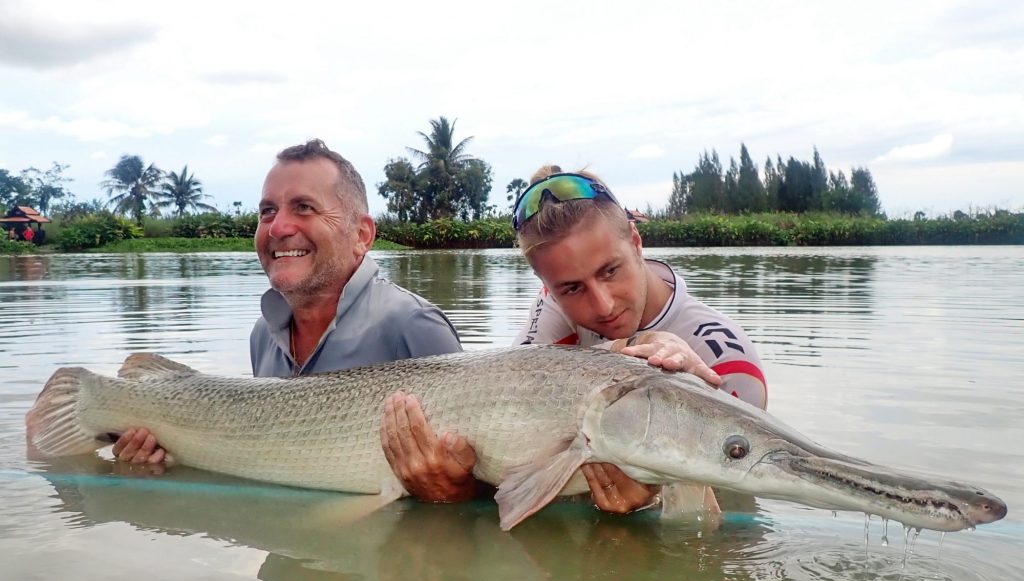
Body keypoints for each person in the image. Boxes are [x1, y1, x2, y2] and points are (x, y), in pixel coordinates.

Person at [382, 166, 766, 514]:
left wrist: (654, 500)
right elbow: (503, 395)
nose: (603, 304)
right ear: (547, 286)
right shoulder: (555, 310)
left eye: (610, 270)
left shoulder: (728, 362)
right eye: (571, 288)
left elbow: (733, 510)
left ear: (635, 241)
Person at [112, 139, 462, 466]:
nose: (277, 228)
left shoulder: (414, 325)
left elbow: (471, 475)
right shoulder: (262, 334)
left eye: (304, 207)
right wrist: (167, 457)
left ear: (362, 235)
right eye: (267, 211)